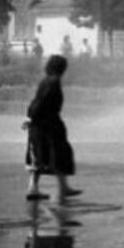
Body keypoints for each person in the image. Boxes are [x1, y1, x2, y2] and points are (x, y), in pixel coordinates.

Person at [24, 54, 79, 201]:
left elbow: (36, 101)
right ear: (61, 68)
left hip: (40, 124)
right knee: (60, 153)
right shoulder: (53, 82)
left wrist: (29, 117)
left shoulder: (47, 80)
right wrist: (31, 117)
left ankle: (33, 188)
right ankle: (62, 189)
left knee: (38, 155)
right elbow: (41, 102)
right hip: (48, 124)